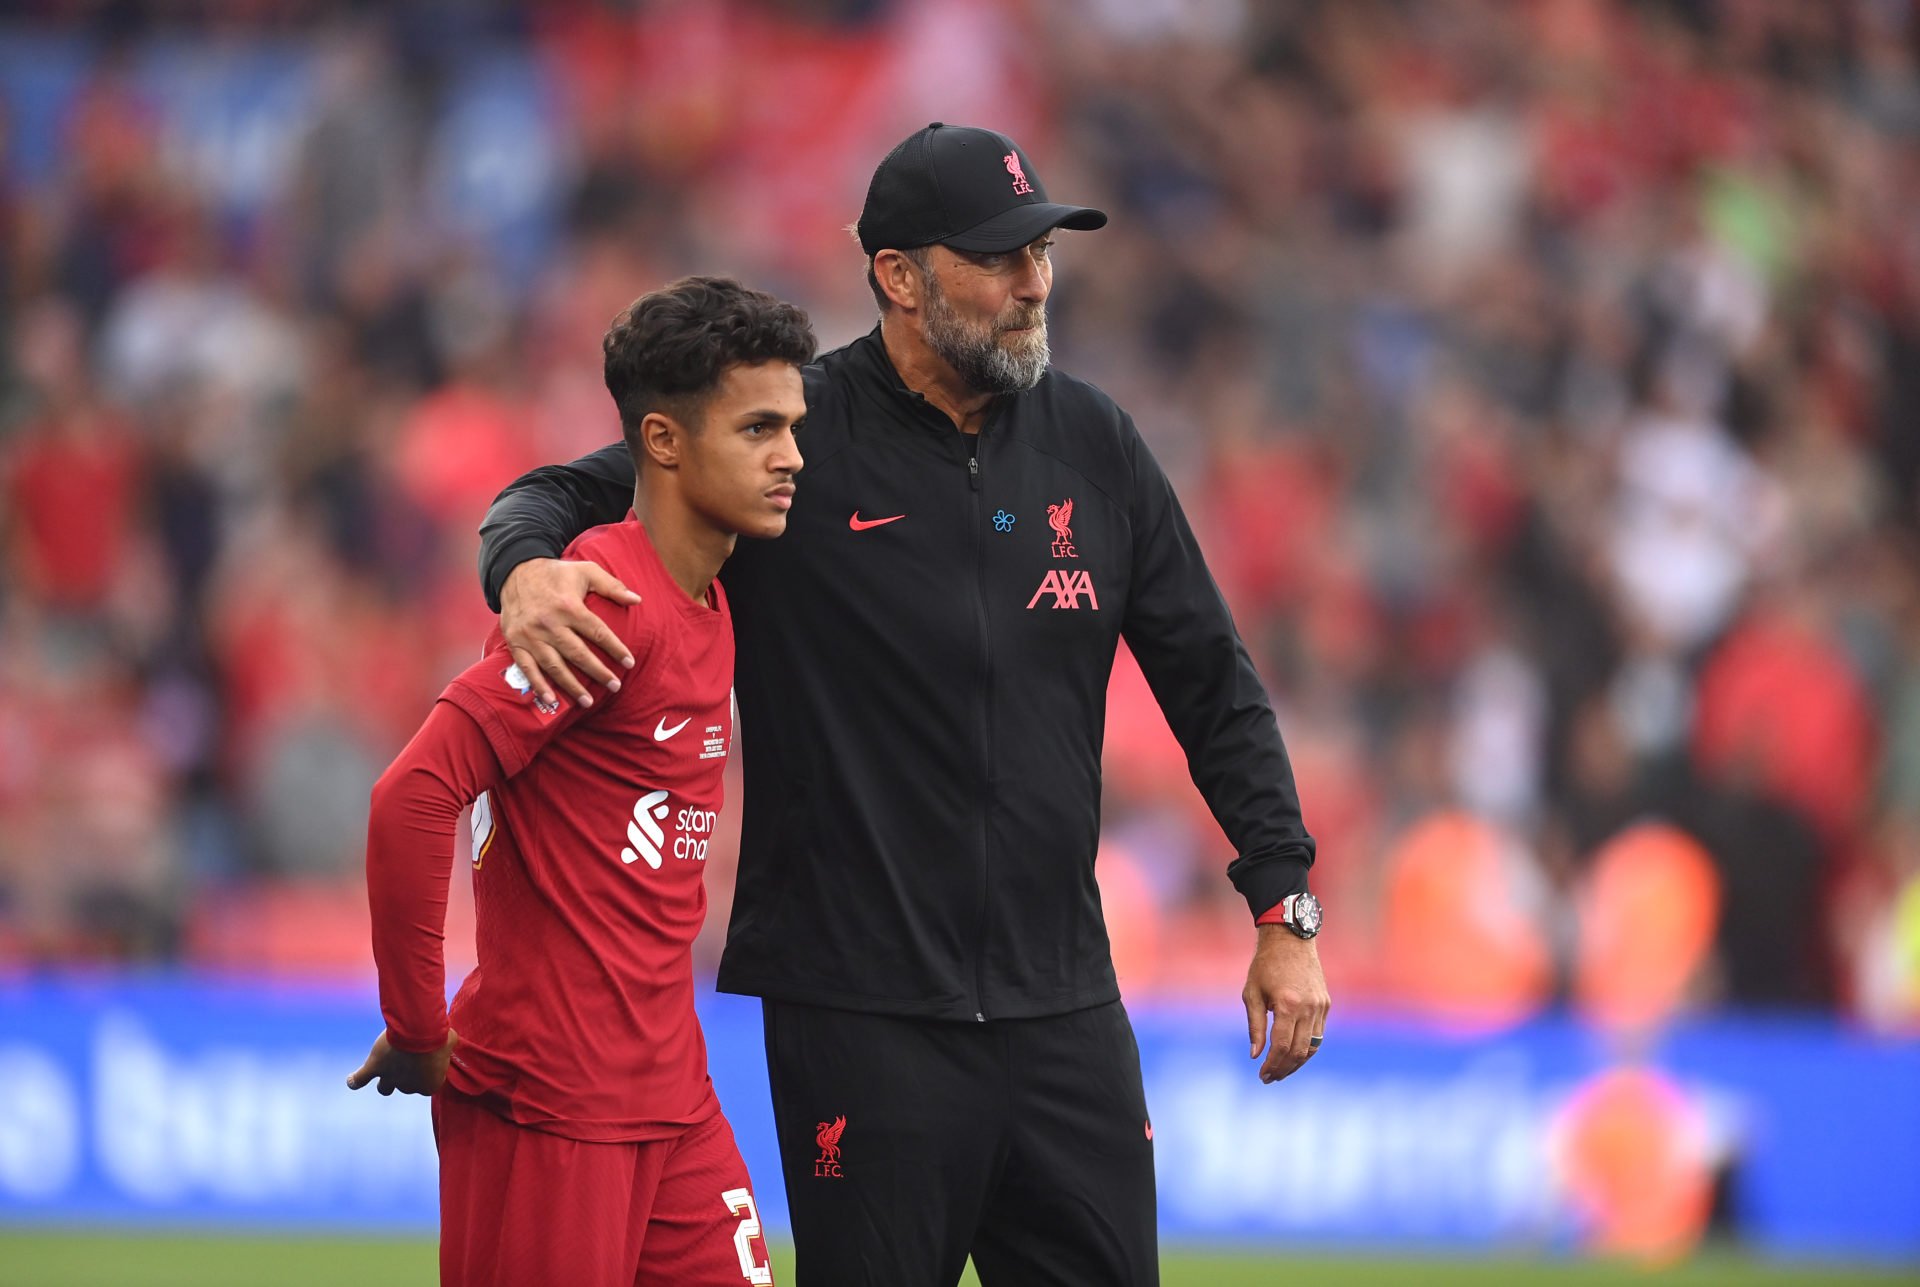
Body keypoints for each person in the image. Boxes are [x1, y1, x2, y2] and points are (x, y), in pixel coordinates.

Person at [477, 123, 1330, 1287]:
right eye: (1000, 257)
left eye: (1045, 253)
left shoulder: (1096, 445)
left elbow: (1214, 687)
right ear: (899, 278)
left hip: (1062, 1008)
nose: (1035, 282)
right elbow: (552, 492)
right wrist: (523, 570)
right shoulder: (789, 438)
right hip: (859, 1017)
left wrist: (1284, 904)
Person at [348, 275, 813, 1287]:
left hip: (672, 1095)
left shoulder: (712, 597)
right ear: (664, 441)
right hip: (548, 1102)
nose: (792, 458)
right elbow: (416, 795)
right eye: (760, 429)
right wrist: (417, 1025)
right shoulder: (598, 605)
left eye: (794, 426)